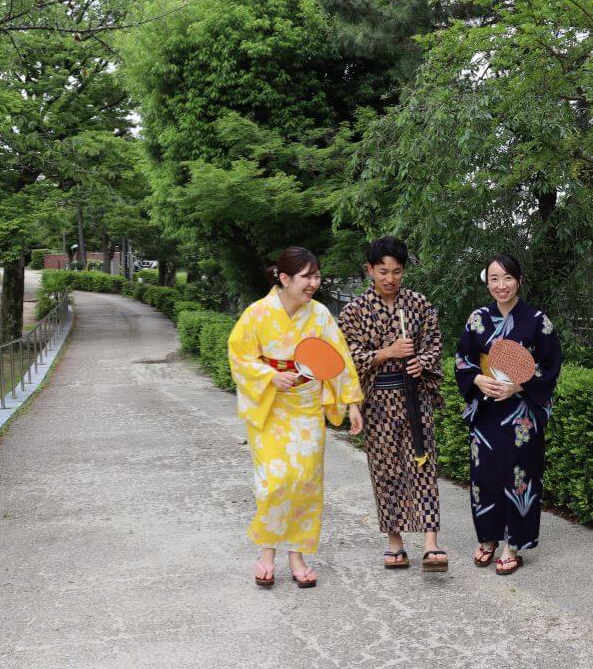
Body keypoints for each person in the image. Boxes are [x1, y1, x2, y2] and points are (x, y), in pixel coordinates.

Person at [228, 246, 364, 589]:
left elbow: (340, 359)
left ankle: (298, 554)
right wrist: (268, 376)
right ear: (284, 278)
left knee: (305, 481)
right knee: (275, 480)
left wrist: (351, 403)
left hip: (306, 405)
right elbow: (240, 356)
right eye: (307, 276)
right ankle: (267, 552)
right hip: (270, 406)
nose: (314, 283)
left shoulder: (319, 316)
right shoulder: (258, 314)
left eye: (317, 276)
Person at [338, 236, 447, 571]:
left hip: (415, 397)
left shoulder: (418, 304)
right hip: (378, 402)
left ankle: (431, 543)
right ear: (369, 270)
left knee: (423, 465)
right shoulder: (354, 311)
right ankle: (395, 542)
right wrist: (385, 353)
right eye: (382, 271)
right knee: (386, 470)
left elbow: (434, 343)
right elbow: (344, 356)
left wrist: (422, 363)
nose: (389, 278)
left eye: (396, 272)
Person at [454, 254, 562, 576]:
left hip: (521, 416)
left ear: (519, 280)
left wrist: (518, 385)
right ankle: (487, 538)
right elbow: (462, 357)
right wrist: (476, 378)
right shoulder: (477, 319)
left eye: (507, 278)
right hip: (487, 410)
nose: (501, 286)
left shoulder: (538, 321)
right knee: (484, 476)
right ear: (487, 283)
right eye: (494, 279)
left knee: (520, 477)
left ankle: (512, 544)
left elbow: (550, 366)